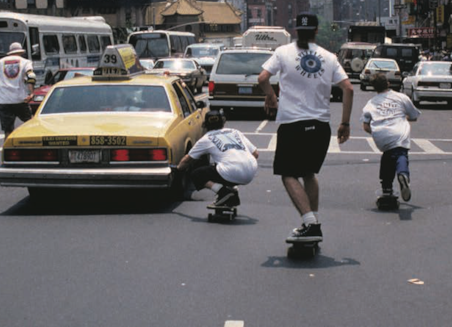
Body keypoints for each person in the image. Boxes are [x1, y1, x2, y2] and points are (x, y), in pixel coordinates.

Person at [258, 13, 355, 244]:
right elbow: (349, 89)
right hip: (320, 126)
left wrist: (271, 97)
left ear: (295, 31)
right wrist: (345, 123)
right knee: (309, 173)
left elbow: (262, 78)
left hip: (293, 124)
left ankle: (310, 223)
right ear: (316, 32)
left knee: (288, 173)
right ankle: (313, 221)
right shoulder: (329, 57)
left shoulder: (283, 53)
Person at [177, 109, 259, 208]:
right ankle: (229, 190)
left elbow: (188, 159)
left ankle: (223, 192)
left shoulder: (206, 138)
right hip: (251, 170)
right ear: (222, 122)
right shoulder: (235, 132)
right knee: (219, 166)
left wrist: (178, 169)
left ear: (205, 125)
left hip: (231, 172)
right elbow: (256, 153)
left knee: (196, 174)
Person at [361, 74, 420, 201]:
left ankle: (386, 188)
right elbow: (414, 115)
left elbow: (365, 126)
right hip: (398, 133)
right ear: (388, 83)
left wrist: (377, 132)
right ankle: (403, 174)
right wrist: (403, 117)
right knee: (400, 154)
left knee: (387, 156)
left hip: (380, 135)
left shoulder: (370, 103)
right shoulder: (401, 97)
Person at [0, 42, 36, 138]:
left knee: (7, 130)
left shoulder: (0, 62)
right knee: (30, 123)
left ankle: (7, 150)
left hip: (3, 100)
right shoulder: (25, 62)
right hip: (20, 98)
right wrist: (31, 93)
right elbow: (31, 76)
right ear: (20, 52)